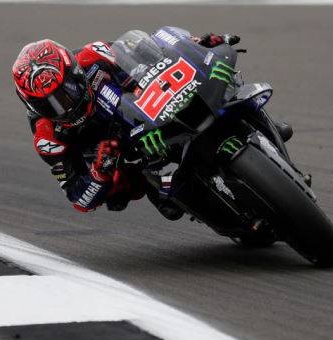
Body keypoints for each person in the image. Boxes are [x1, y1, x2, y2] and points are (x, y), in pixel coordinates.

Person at [12, 29, 243, 220]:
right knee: (152, 201)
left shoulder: (94, 55)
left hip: (145, 111)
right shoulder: (47, 139)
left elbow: (150, 50)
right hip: (119, 154)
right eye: (49, 105)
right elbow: (78, 198)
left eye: (68, 90)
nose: (65, 106)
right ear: (32, 106)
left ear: (75, 71)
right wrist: (99, 172)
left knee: (214, 85)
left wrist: (195, 45)